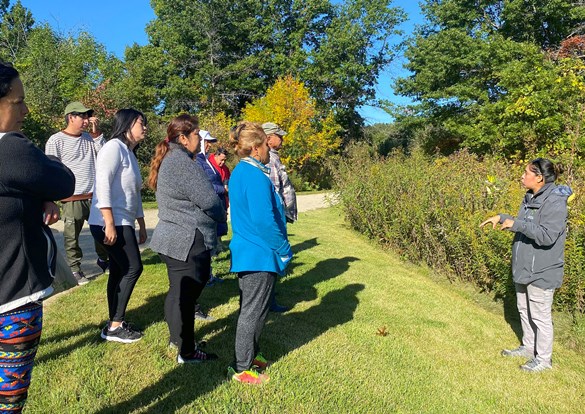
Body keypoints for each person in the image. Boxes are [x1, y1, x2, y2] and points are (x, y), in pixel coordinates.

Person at [0, 62, 75, 412]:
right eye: (18, 102)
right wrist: (41, 189)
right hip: (12, 302)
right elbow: (63, 179)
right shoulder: (10, 150)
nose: (26, 111)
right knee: (8, 402)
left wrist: (33, 193)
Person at [480, 158, 571, 372]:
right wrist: (502, 217)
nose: (522, 176)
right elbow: (526, 225)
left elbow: (547, 235)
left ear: (539, 177)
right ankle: (528, 348)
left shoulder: (555, 201)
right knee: (524, 310)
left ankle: (544, 360)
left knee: (540, 315)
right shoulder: (530, 196)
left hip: (542, 269)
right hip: (524, 266)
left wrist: (516, 224)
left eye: (525, 173)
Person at [148, 114, 226, 363]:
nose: (199, 140)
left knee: (178, 292)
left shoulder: (173, 158)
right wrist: (220, 215)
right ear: (183, 137)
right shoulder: (181, 161)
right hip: (186, 238)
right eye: (196, 135)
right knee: (187, 296)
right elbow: (209, 200)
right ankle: (188, 351)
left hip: (173, 237)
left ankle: (178, 340)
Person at [227, 121, 293, 384]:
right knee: (252, 311)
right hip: (258, 253)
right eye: (266, 144)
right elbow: (264, 220)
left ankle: (251, 355)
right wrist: (283, 248)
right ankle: (242, 368)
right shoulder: (253, 175)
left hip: (253, 251)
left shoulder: (245, 172)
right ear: (256, 148)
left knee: (257, 309)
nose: (269, 148)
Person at [88, 108, 148, 343]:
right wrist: (109, 224)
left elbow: (134, 194)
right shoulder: (113, 147)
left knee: (119, 269)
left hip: (123, 222)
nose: (144, 128)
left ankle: (114, 320)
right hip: (110, 222)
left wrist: (141, 225)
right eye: (141, 123)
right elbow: (102, 184)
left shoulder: (129, 153)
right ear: (127, 124)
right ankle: (114, 326)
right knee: (133, 268)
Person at [45, 101, 110, 285]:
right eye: (82, 116)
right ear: (70, 117)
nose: (86, 119)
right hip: (71, 197)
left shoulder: (91, 137)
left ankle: (105, 260)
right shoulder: (56, 140)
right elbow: (50, 169)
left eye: (87, 116)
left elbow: (104, 155)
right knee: (72, 237)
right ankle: (75, 269)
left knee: (103, 231)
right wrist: (51, 196)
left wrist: (97, 133)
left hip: (94, 196)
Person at [262, 122, 298, 313]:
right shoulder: (269, 160)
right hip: (276, 215)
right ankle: (268, 301)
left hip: (280, 214)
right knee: (273, 255)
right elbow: (274, 190)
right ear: (268, 138)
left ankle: (269, 297)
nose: (282, 139)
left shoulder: (273, 157)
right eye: (279, 135)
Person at [196, 130, 227, 287]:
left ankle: (208, 275)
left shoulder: (204, 159)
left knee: (209, 245)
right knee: (204, 246)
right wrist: (223, 189)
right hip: (203, 212)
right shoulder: (197, 161)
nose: (209, 145)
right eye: (206, 141)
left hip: (213, 210)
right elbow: (204, 186)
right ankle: (204, 277)